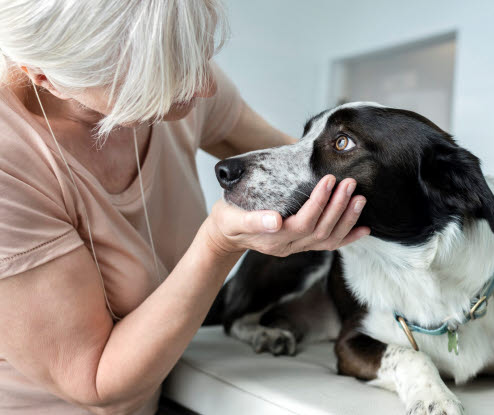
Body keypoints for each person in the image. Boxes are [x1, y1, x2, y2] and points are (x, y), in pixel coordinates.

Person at [0, 1, 369, 414]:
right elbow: (95, 380)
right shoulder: (9, 164)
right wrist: (218, 245)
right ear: (44, 76)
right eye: (161, 78)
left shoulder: (182, 73)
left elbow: (304, 172)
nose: (206, 87)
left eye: (200, 55)